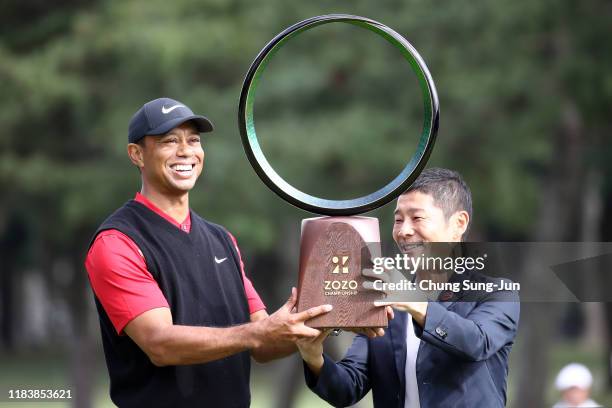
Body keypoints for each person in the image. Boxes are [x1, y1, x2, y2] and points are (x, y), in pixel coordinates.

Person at [85, 97, 332, 407]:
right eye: (169, 141)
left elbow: (264, 346)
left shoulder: (222, 240)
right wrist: (258, 333)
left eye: (194, 140)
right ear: (137, 154)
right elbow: (160, 344)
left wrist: (329, 313)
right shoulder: (118, 241)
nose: (186, 151)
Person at [297, 168, 520, 408]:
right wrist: (313, 356)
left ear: (459, 223)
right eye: (398, 219)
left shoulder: (497, 293)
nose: (403, 231)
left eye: (417, 218)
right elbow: (348, 388)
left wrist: (414, 301)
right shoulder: (385, 301)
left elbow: (476, 342)